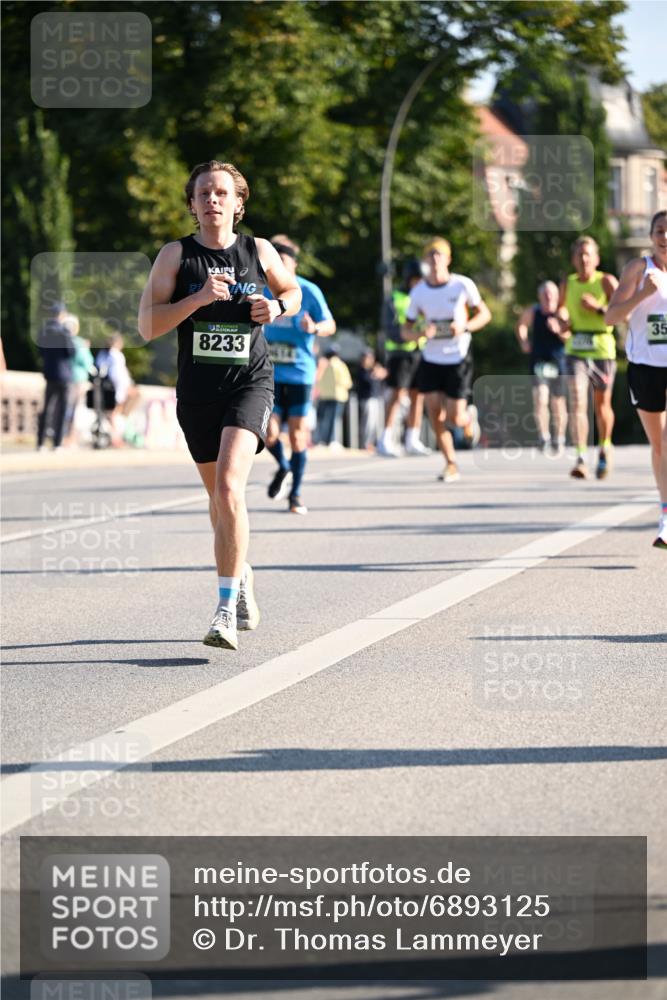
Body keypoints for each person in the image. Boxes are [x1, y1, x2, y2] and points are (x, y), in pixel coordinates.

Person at [138, 160, 301, 649]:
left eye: (221, 192)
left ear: (238, 202)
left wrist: (276, 306)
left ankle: (225, 610)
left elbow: (292, 291)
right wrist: (196, 300)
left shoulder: (259, 251)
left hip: (249, 384)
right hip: (197, 395)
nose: (212, 199)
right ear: (192, 204)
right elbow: (147, 326)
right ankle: (242, 572)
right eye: (203, 192)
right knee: (218, 502)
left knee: (230, 488)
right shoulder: (175, 256)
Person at [403, 238, 491, 482]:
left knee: (454, 417)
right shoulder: (418, 292)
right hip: (431, 358)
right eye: (430, 254)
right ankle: (450, 463)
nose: (435, 258)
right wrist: (421, 333)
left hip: (458, 357)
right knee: (434, 413)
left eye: (439, 254)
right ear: (425, 260)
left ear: (448, 258)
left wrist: (464, 327)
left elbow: (485, 314)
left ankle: (467, 420)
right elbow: (405, 330)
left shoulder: (462, 285)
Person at [605, 209, 667, 549]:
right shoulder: (638, 269)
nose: (665, 237)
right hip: (645, 366)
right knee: (659, 446)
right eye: (660, 230)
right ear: (651, 235)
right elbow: (610, 316)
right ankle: (665, 509)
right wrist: (642, 294)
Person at [263, 234, 336, 515]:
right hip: (268, 375)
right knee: (268, 433)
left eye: (282, 263)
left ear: (293, 264)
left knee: (297, 436)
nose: (277, 269)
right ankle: (283, 466)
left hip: (300, 375)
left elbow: (330, 324)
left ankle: (295, 494)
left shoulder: (308, 291)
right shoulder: (262, 289)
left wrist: (314, 328)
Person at [558, 236, 619, 480]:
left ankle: (605, 446)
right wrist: (562, 318)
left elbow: (622, 314)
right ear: (573, 259)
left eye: (588, 254)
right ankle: (581, 456)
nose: (583, 259)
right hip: (576, 347)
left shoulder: (606, 281)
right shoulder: (568, 282)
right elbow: (561, 307)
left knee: (601, 405)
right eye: (579, 255)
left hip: (602, 347)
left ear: (596, 258)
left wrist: (598, 308)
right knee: (577, 401)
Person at [377, 260, 430, 457]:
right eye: (416, 280)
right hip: (400, 353)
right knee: (397, 394)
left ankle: (412, 438)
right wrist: (413, 335)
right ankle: (385, 438)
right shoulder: (394, 299)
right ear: (409, 279)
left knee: (418, 395)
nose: (419, 284)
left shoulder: (424, 299)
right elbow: (390, 329)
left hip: (420, 352)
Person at [515, 280, 568, 455]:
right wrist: (523, 342)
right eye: (545, 293)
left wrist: (558, 331)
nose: (548, 296)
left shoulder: (562, 313)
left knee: (558, 402)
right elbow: (521, 325)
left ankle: (559, 438)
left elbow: (570, 337)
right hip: (539, 361)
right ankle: (543, 437)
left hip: (558, 361)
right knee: (540, 399)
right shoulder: (534, 311)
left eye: (551, 293)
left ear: (557, 296)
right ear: (540, 296)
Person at [36, 302, 76, 451]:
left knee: (47, 408)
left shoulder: (44, 331)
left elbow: (40, 351)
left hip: (49, 373)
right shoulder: (64, 331)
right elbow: (71, 352)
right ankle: (57, 443)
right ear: (62, 315)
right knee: (61, 409)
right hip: (64, 375)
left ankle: (40, 443)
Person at [95, 334, 139, 447]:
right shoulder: (116, 355)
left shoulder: (102, 354)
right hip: (116, 388)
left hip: (104, 388)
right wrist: (127, 387)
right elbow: (119, 375)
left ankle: (114, 437)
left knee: (110, 414)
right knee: (115, 413)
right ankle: (116, 438)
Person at [315, 346, 352, 446]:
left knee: (323, 419)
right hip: (338, 396)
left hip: (324, 395)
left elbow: (318, 380)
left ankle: (322, 440)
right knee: (334, 419)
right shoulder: (340, 365)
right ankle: (332, 441)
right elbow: (347, 382)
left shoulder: (323, 364)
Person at [356, 348, 387, 450]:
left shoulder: (372, 369)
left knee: (375, 423)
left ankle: (372, 443)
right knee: (368, 423)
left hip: (376, 398)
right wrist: (375, 374)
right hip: (367, 399)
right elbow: (368, 381)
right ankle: (366, 443)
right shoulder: (361, 370)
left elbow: (382, 377)